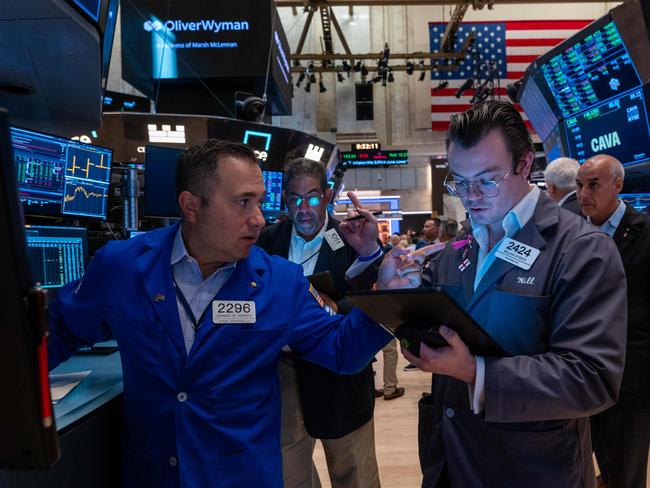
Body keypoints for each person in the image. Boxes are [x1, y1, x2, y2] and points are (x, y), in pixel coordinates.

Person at [46, 140, 394, 488]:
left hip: (244, 476)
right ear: (191, 205)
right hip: (153, 473)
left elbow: (341, 349)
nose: (258, 218)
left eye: (259, 202)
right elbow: (61, 328)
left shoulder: (280, 283)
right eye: (243, 202)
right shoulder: (121, 266)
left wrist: (393, 297)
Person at [377, 101, 627, 487]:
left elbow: (592, 377)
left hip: (529, 468)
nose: (471, 195)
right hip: (450, 462)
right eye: (459, 181)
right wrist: (402, 295)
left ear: (525, 165)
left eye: (487, 180)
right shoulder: (460, 246)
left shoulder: (581, 249)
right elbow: (438, 321)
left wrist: (474, 372)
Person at [256, 158, 383, 488]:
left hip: (340, 378)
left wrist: (331, 307)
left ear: (327, 197)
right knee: (289, 475)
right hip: (282, 376)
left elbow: (373, 298)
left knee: (354, 474)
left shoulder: (350, 236)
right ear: (285, 199)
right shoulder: (266, 241)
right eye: (295, 199)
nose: (304, 209)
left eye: (312, 198)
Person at [576, 154, 650, 488]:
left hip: (631, 380)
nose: (583, 194)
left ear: (618, 185)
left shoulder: (645, 234)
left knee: (625, 475)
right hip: (579, 375)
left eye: (593, 184)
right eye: (579, 185)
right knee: (582, 469)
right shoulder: (572, 235)